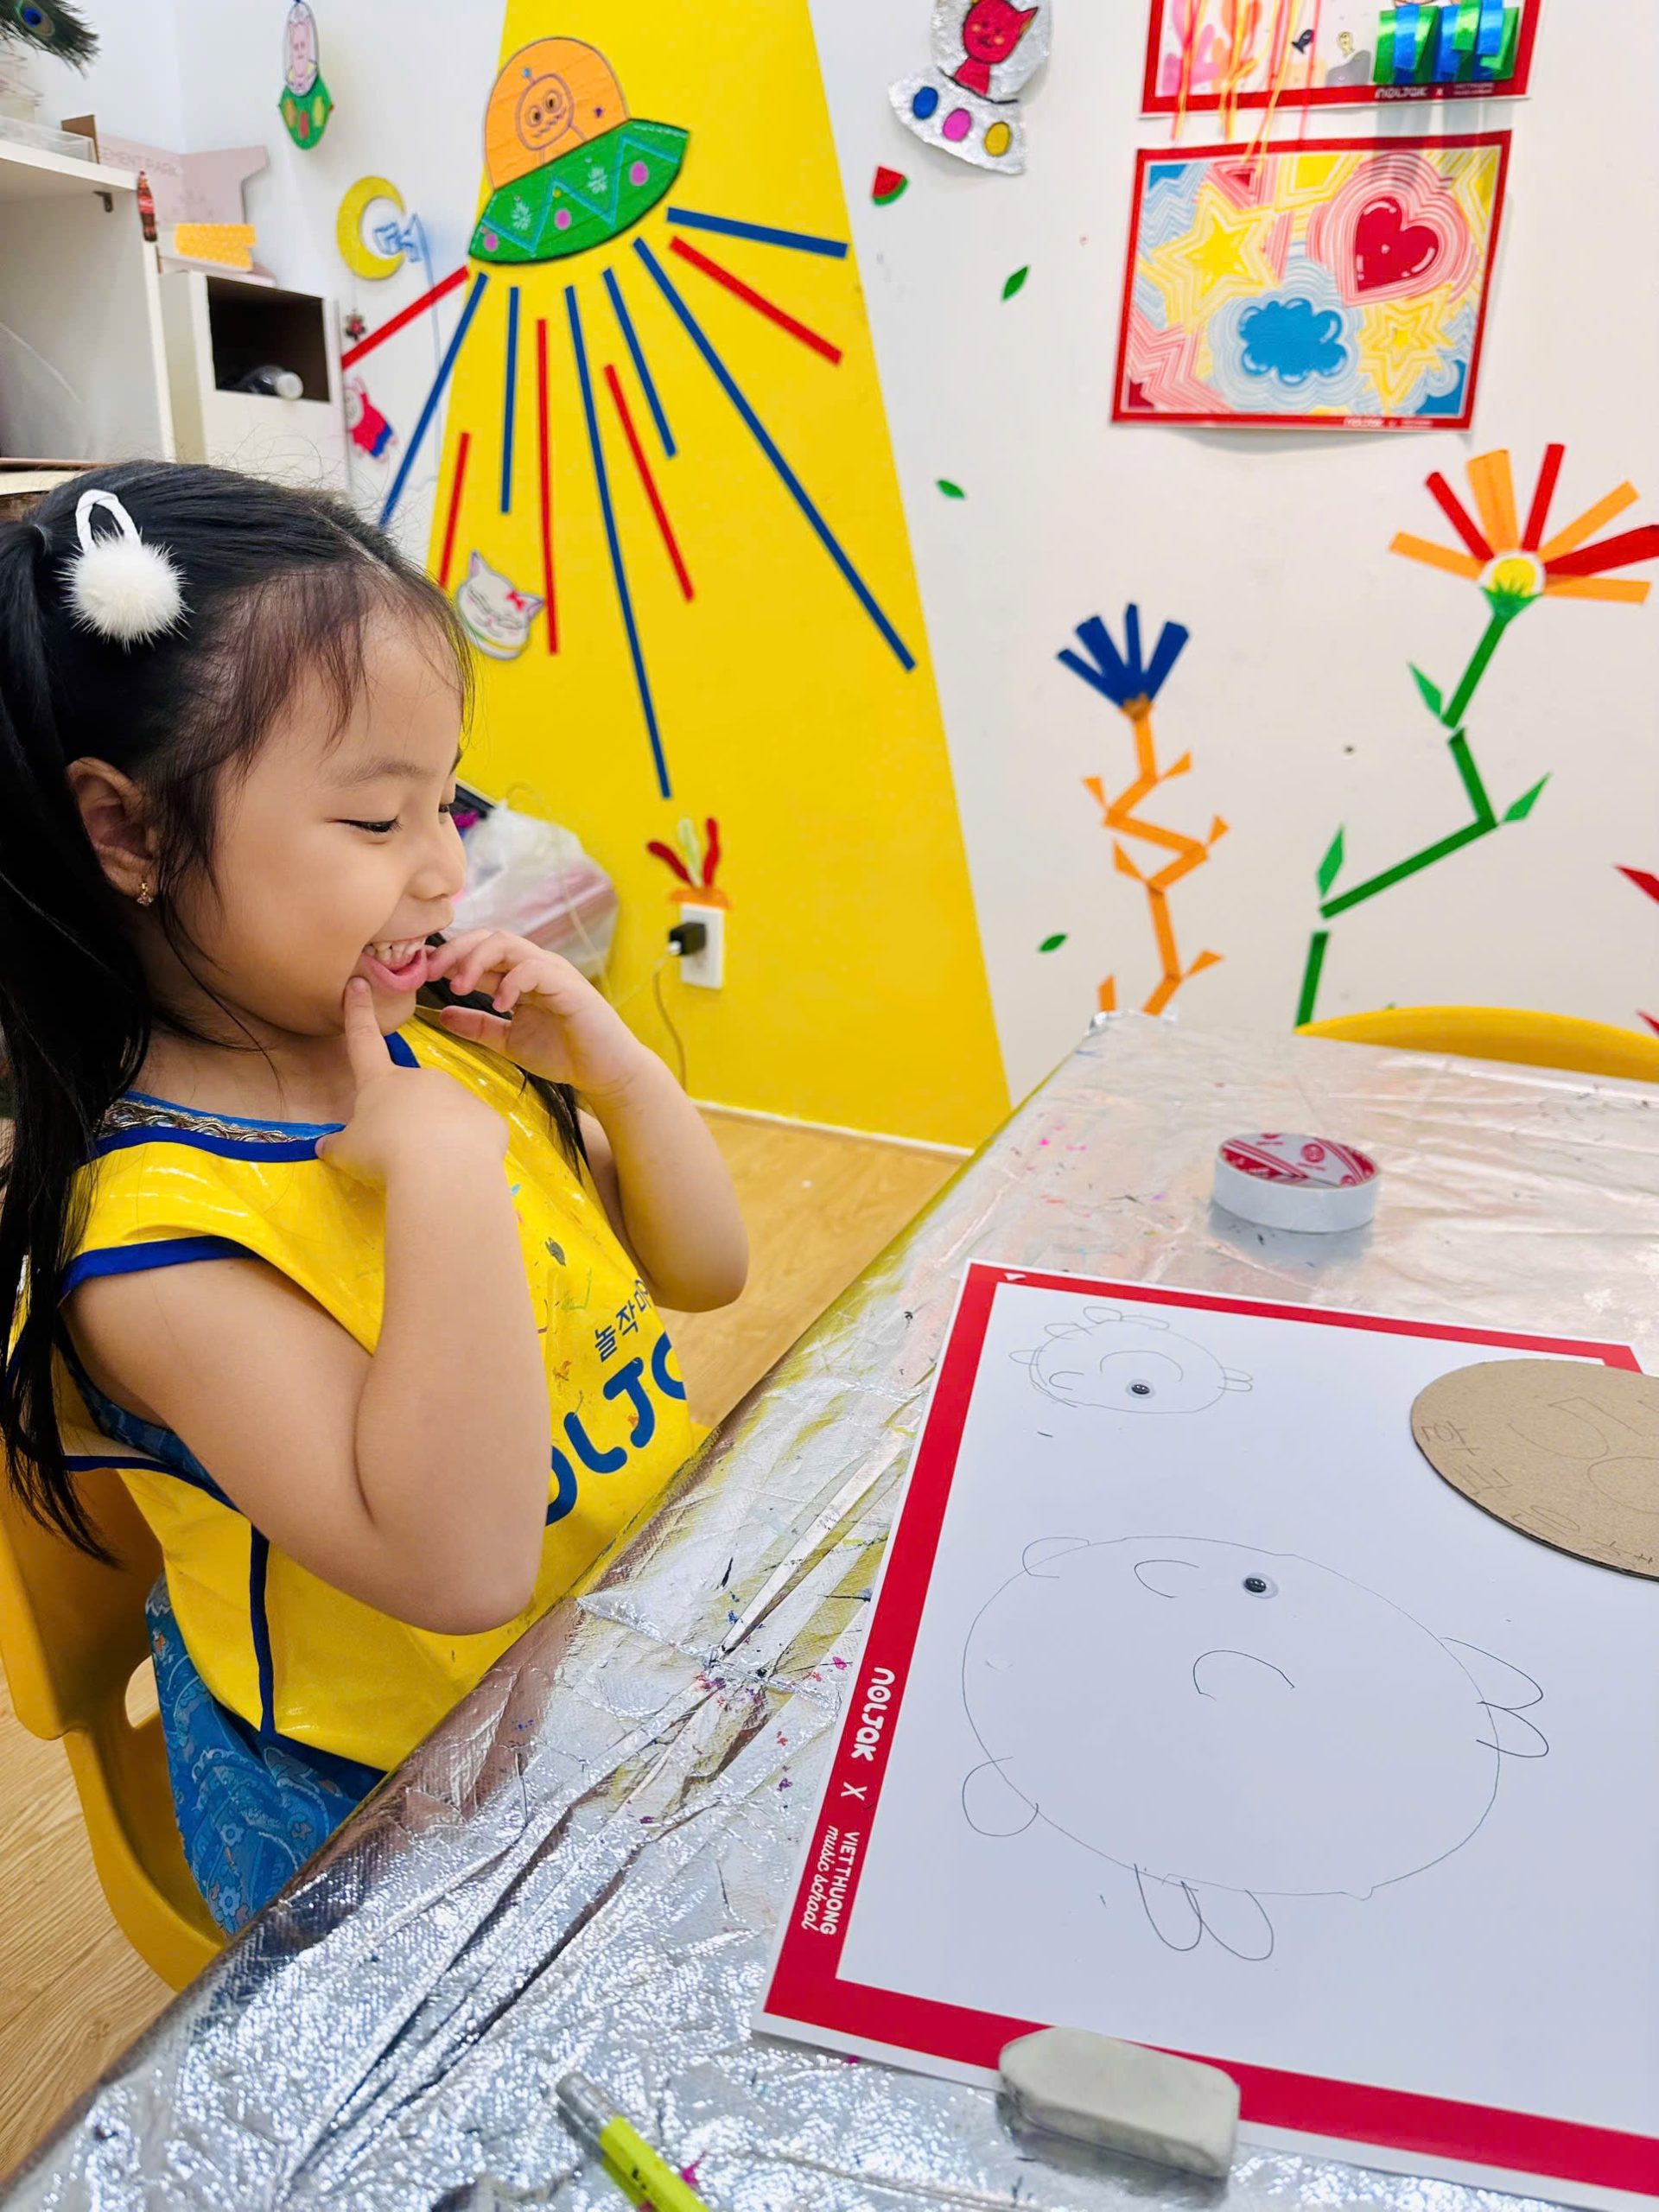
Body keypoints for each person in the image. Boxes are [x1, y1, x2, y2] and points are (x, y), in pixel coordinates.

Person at [0, 463, 747, 1930]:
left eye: (447, 801)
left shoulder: (422, 1056)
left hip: (598, 1678)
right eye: (374, 823)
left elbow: (703, 1269)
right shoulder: (160, 1247)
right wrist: (448, 1174)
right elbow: (460, 1568)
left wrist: (619, 1072)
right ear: (131, 834)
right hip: (380, 1812)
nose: (447, 872)